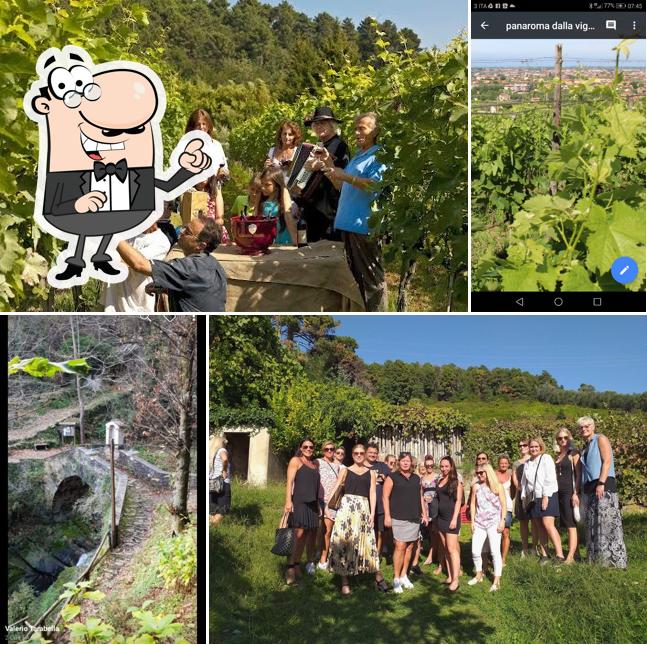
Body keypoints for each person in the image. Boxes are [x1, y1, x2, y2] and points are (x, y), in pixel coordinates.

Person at [321, 112, 387, 311]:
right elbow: (343, 187)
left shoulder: (378, 155)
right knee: (355, 280)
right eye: (355, 128)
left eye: (362, 128)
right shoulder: (359, 156)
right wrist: (329, 166)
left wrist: (346, 177)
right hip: (348, 225)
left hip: (363, 226)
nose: (357, 132)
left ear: (375, 131)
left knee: (371, 280)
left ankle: (378, 315)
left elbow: (375, 186)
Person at [116, 216, 226, 312]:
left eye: (187, 232)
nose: (181, 232)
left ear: (200, 246)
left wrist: (112, 234)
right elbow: (199, 293)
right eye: (185, 227)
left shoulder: (189, 268)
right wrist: (167, 287)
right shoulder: (214, 264)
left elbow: (140, 265)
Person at [328, 443, 380, 595]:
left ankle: (362, 570)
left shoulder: (371, 473)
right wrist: (327, 507)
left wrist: (372, 513)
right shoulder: (345, 470)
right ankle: (344, 581)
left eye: (361, 453)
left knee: (363, 541)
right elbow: (337, 487)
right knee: (344, 540)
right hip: (346, 509)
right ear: (352, 454)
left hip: (363, 508)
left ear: (364, 454)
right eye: (356, 452)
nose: (358, 455)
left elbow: (372, 493)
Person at [578, 416, 627, 569]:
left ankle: (614, 561)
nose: (584, 429)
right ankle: (598, 560)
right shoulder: (585, 446)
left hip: (603, 484)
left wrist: (601, 482)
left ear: (593, 426)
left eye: (587, 426)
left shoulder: (601, 439)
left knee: (607, 523)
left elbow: (607, 461)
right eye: (581, 427)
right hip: (590, 487)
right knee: (594, 524)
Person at [296, 106, 350, 243]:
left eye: (323, 123)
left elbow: (340, 175)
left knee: (327, 252)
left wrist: (321, 165)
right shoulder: (318, 145)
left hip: (329, 209)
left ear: (332, 125)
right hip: (313, 208)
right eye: (316, 124)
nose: (319, 126)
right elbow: (304, 178)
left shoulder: (339, 146)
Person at [383, 452, 428, 593]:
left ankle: (403, 575)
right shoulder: (392, 477)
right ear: (399, 462)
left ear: (411, 462)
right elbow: (385, 497)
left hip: (414, 517)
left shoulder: (416, 478)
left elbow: (420, 496)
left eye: (408, 461)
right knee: (400, 546)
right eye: (403, 461)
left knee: (410, 547)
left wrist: (424, 514)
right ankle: (396, 578)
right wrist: (387, 516)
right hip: (398, 517)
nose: (405, 463)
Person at [102, 223, 170, 311]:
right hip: (114, 302)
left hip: (138, 307)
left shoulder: (161, 242)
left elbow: (136, 263)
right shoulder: (128, 233)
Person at [521, 437, 565, 564]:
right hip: (533, 498)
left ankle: (560, 555)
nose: (533, 449)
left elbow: (549, 478)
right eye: (531, 447)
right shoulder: (528, 462)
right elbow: (525, 482)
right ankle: (545, 555)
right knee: (539, 526)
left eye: (536, 446)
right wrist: (524, 496)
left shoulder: (546, 458)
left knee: (548, 525)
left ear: (541, 447)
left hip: (547, 495)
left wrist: (545, 497)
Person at [284, 438, 322, 585]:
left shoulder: (314, 465)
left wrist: (318, 505)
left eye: (311, 447)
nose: (308, 449)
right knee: (298, 536)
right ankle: (290, 569)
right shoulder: (296, 461)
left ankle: (297, 564)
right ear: (300, 447)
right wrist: (288, 501)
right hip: (299, 502)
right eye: (305, 446)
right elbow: (289, 482)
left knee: (306, 536)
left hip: (312, 504)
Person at [185, 108, 229, 226]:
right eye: (198, 124)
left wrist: (222, 173)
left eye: (204, 124)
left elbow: (224, 167)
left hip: (213, 189)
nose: (201, 127)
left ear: (209, 125)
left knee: (217, 223)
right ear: (192, 127)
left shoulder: (216, 145)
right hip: (194, 192)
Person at [469, 464, 507, 591]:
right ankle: (479, 574)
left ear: (488, 472)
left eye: (482, 473)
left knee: (495, 552)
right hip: (479, 522)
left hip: (494, 522)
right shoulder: (476, 487)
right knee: (475, 550)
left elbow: (504, 505)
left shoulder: (498, 486)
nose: (479, 475)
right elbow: (473, 504)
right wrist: (472, 521)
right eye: (477, 473)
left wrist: (502, 521)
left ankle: (497, 580)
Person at [365, 443, 391, 590]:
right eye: (371, 452)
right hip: (366, 506)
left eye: (375, 452)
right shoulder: (361, 465)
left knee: (380, 532)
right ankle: (367, 556)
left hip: (380, 505)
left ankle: (377, 554)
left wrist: (383, 477)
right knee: (367, 532)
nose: (373, 455)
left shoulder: (383, 466)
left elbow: (390, 480)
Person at [436, 456, 464, 591]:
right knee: (446, 548)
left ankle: (456, 580)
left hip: (451, 519)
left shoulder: (456, 482)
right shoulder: (440, 480)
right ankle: (450, 576)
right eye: (442, 466)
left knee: (452, 549)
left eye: (446, 466)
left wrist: (454, 519)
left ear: (451, 466)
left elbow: (458, 501)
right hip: (440, 518)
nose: (444, 468)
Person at [555, 428, 581, 563]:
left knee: (571, 524)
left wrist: (576, 493)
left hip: (569, 492)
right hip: (559, 493)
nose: (563, 440)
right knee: (564, 523)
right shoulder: (558, 455)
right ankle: (576, 554)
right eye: (560, 438)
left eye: (565, 437)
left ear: (569, 438)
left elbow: (578, 474)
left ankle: (570, 557)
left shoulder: (573, 453)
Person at [255, 166, 298, 245]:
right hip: (269, 244)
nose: (263, 188)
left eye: (267, 185)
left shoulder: (285, 202)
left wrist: (295, 240)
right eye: (262, 184)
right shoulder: (263, 203)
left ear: (277, 185)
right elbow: (256, 221)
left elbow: (288, 216)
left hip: (286, 243)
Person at [317, 440, 341, 571]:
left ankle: (323, 559)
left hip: (332, 502)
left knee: (327, 531)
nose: (330, 451)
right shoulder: (318, 462)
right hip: (318, 500)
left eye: (332, 449)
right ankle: (317, 554)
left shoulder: (338, 466)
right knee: (317, 531)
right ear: (323, 450)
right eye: (327, 449)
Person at [512, 438, 533, 557]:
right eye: (520, 445)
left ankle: (535, 547)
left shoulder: (534, 459)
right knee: (523, 522)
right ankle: (524, 548)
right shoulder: (516, 463)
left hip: (534, 494)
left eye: (524, 445)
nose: (522, 447)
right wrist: (521, 489)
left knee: (535, 522)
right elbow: (515, 479)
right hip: (521, 495)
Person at [420, 455, 441, 568]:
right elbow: (420, 493)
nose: (429, 467)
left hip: (435, 505)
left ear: (433, 464)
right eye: (427, 465)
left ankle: (433, 554)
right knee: (431, 531)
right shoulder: (421, 479)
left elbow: (440, 491)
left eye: (431, 465)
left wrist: (434, 499)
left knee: (436, 530)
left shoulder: (438, 477)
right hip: (426, 507)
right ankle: (433, 553)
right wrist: (423, 499)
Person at [495, 455, 515, 565]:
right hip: (494, 506)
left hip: (507, 507)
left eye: (505, 463)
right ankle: (494, 555)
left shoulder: (511, 476)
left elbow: (513, 491)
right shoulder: (493, 474)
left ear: (508, 464)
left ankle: (503, 559)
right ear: (498, 463)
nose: (503, 465)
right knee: (494, 531)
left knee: (505, 532)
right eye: (501, 463)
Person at [209, 436, 230, 525]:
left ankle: (211, 526)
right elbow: (225, 459)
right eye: (225, 443)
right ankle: (213, 525)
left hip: (212, 483)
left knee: (213, 509)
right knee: (223, 509)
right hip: (222, 483)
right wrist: (224, 470)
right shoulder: (222, 450)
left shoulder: (212, 453)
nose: (226, 445)